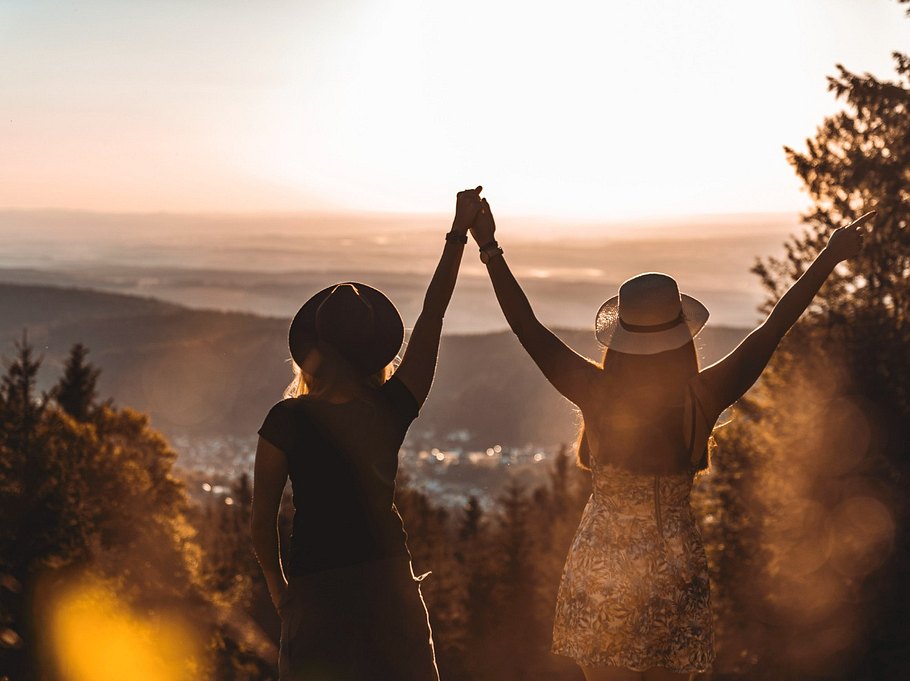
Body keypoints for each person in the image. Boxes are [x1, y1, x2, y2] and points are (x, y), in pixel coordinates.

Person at [468, 197, 875, 681]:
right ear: (682, 336)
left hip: (602, 570)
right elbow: (774, 327)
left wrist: (489, 247)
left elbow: (528, 327)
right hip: (674, 570)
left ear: (620, 338)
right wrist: (829, 255)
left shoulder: (597, 393)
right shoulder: (702, 398)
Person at [250, 187, 485, 681]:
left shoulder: (285, 421)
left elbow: (261, 520)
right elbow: (433, 315)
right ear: (376, 350)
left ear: (311, 347)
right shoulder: (390, 408)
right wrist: (458, 233)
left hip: (316, 592)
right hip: (389, 587)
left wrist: (281, 591)